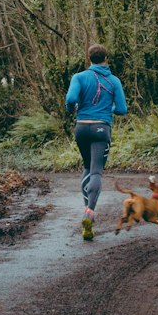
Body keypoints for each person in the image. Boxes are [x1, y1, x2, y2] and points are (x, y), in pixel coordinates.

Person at [65, 44, 127, 240]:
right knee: (96, 171)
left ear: (89, 58)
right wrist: (109, 108)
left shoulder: (79, 77)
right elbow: (122, 109)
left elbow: (71, 98)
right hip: (102, 129)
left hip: (82, 128)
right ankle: (89, 213)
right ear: (106, 58)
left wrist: (72, 108)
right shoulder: (113, 80)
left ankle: (86, 209)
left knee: (86, 167)